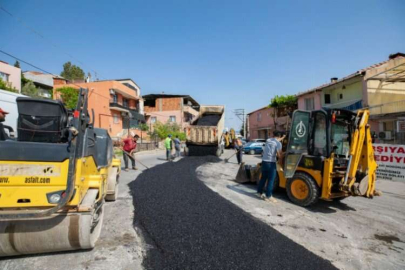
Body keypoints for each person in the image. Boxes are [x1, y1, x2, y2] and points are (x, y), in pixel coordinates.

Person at [257, 131, 286, 203]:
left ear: (273, 135)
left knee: (263, 177)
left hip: (264, 162)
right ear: (279, 136)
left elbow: (275, 140)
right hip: (271, 162)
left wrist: (283, 137)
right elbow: (279, 155)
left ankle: (259, 192)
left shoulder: (268, 140)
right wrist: (283, 154)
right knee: (271, 179)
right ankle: (268, 196)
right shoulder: (278, 144)